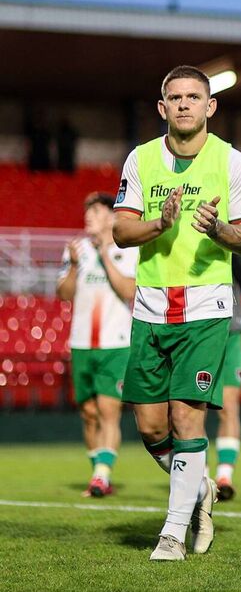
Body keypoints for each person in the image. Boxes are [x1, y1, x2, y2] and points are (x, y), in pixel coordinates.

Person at [112, 65, 241, 560]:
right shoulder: (140, 159)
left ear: (210, 106)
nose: (183, 104)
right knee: (151, 426)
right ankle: (199, 489)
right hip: (151, 307)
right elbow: (120, 231)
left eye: (193, 97)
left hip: (205, 308)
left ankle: (173, 533)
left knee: (185, 417)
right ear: (162, 107)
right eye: (174, 97)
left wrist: (217, 229)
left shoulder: (233, 162)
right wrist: (161, 222)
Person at [56, 192, 137, 497]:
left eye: (96, 211)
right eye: (87, 212)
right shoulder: (75, 250)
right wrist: (75, 267)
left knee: (108, 410)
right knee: (88, 412)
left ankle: (102, 476)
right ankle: (98, 475)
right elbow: (64, 293)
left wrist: (105, 253)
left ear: (112, 217)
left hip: (115, 343)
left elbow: (128, 289)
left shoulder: (127, 250)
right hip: (81, 344)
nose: (89, 216)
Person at [211, 253, 241, 500]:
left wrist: (225, 236)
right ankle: (199, 477)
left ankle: (224, 476)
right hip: (196, 327)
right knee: (190, 406)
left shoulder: (232, 227)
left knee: (228, 406)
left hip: (231, 328)